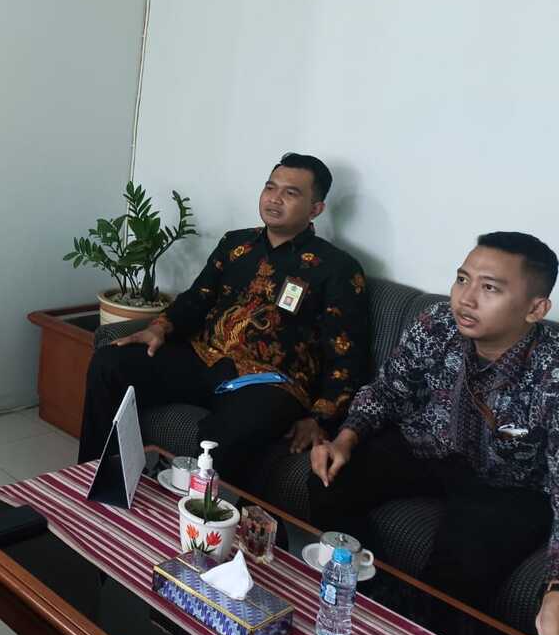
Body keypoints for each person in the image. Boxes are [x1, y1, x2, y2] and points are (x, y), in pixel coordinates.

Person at [309, 232, 559, 635]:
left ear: (536, 308)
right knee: (330, 477)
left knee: (455, 580)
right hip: (428, 447)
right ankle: (373, 596)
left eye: (490, 288)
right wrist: (345, 439)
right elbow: (387, 390)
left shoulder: (552, 371)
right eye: (462, 279)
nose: (466, 299)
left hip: (508, 485)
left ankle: (414, 626)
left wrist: (555, 586)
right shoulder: (437, 323)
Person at [79, 153, 371, 486]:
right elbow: (197, 298)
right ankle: (96, 478)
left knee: (222, 436)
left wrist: (320, 417)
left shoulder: (337, 269)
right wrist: (158, 327)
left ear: (316, 208)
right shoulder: (236, 244)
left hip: (270, 383)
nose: (274, 198)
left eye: (290, 193)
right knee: (109, 363)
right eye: (270, 187)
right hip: (205, 358)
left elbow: (347, 355)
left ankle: (192, 512)